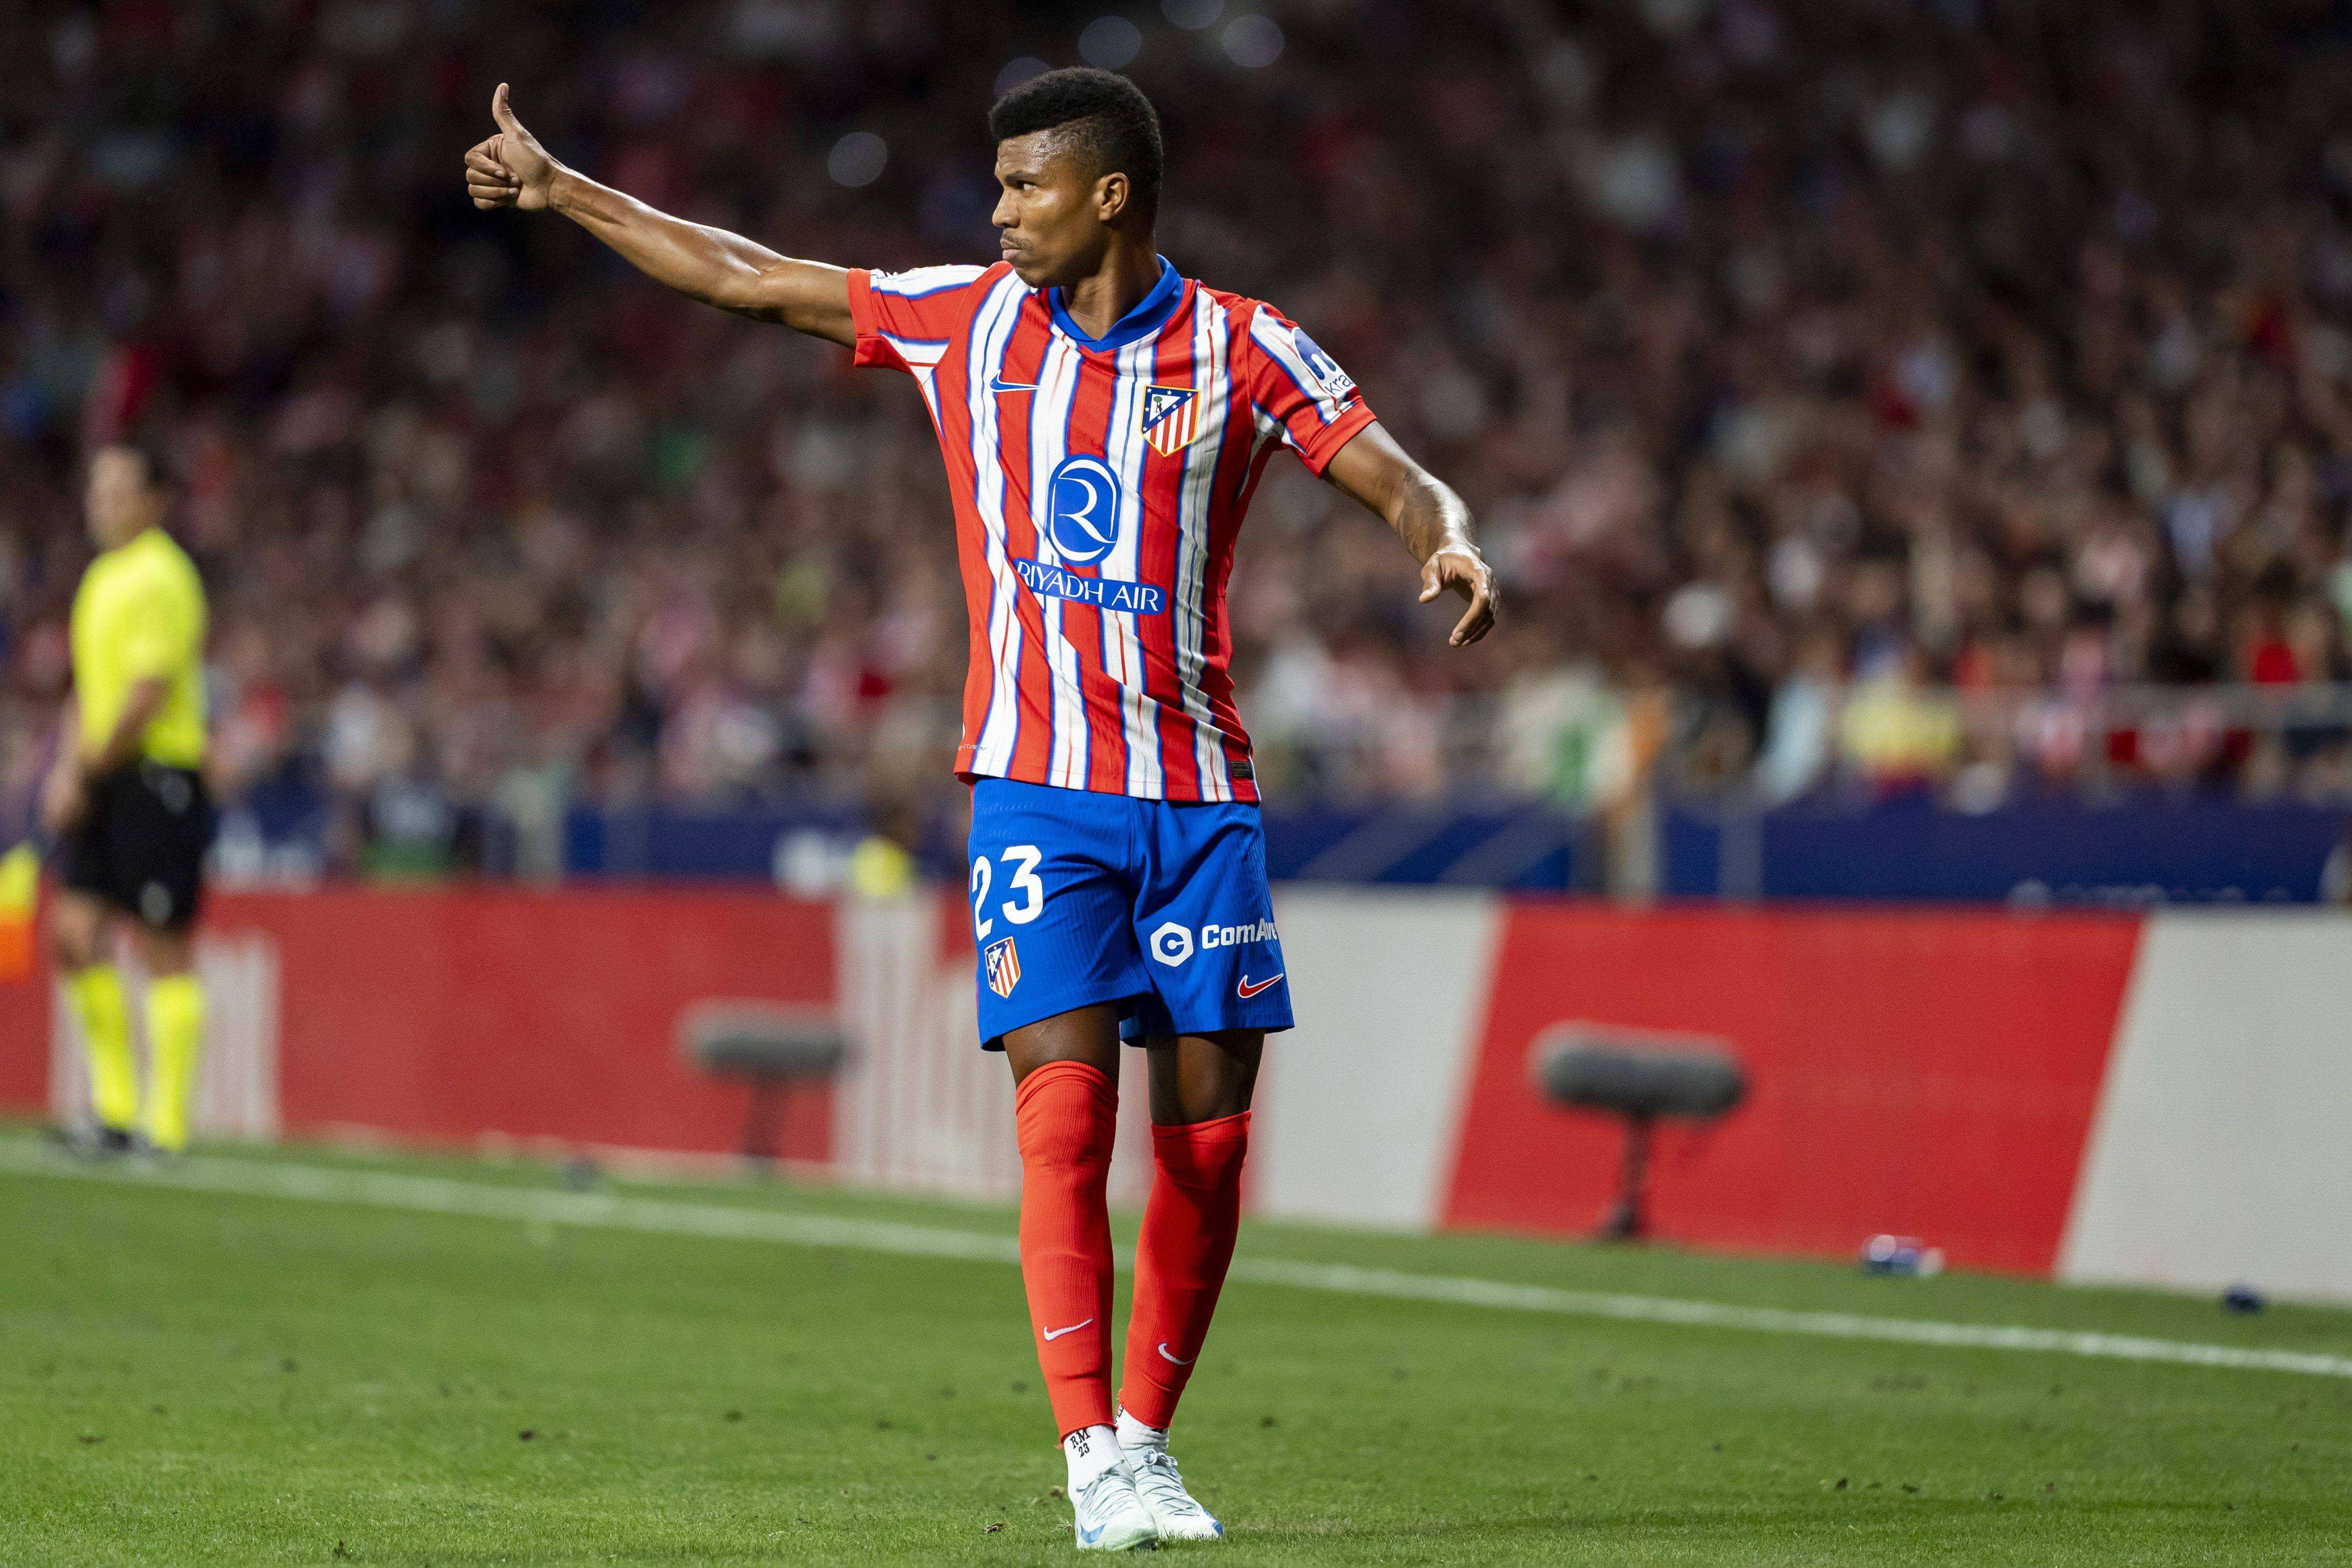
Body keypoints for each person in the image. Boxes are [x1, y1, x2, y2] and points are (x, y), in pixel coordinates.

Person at [466, 66, 1495, 1551]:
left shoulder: (1242, 347)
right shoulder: (968, 322)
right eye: (998, 185)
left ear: (1109, 195)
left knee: (1208, 1149)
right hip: (1036, 795)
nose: (998, 211)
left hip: (1199, 799)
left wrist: (1449, 546)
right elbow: (752, 278)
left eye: (1025, 185)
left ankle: (1149, 1443)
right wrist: (567, 191)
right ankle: (1089, 1459)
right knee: (1063, 1124)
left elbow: (1397, 479)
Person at [44, 441, 213, 1157]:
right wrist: (65, 769)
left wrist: (86, 770)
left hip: (156, 775)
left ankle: (164, 1126)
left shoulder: (162, 575)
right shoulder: (101, 577)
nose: (103, 503)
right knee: (73, 933)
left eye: (119, 491)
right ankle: (114, 1111)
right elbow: (90, 688)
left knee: (161, 943)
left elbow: (148, 693)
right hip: (104, 773)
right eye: (98, 489)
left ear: (155, 502)